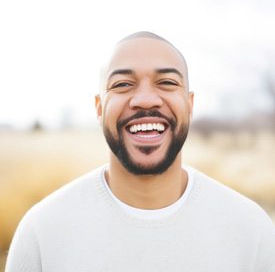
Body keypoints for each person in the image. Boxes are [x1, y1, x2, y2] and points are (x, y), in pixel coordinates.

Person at [5, 31, 275, 272]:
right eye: (122, 84)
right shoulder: (43, 231)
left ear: (189, 105)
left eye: (167, 82)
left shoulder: (251, 230)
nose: (145, 99)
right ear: (99, 108)